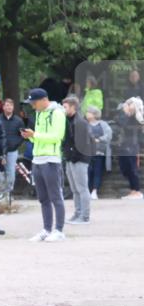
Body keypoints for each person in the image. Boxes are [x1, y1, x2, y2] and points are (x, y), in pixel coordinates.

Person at [22, 88, 67, 242]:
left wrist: (35, 135)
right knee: (43, 198)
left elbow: (57, 137)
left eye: (34, 102)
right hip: (37, 159)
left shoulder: (57, 113)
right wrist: (30, 136)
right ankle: (47, 229)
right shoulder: (39, 113)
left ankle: (59, 230)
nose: (32, 106)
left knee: (56, 196)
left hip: (51, 159)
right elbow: (40, 138)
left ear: (43, 100)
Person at [62, 95, 92, 225]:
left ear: (73, 107)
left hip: (79, 159)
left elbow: (82, 144)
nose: (63, 109)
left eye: (65, 107)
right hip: (70, 158)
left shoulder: (80, 122)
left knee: (82, 188)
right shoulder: (67, 120)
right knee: (74, 189)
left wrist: (73, 156)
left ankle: (84, 216)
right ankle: (78, 213)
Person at [112, 97, 143, 199]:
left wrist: (125, 113)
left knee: (132, 168)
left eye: (128, 104)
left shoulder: (136, 118)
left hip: (132, 146)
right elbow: (117, 121)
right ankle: (133, 190)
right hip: (124, 145)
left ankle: (137, 191)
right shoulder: (126, 116)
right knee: (124, 168)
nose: (126, 106)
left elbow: (123, 124)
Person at [0, 98, 25, 196]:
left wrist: (16, 144)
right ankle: (0, 194)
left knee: (11, 173)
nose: (9, 107)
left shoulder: (18, 120)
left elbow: (23, 135)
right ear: (3, 107)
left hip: (12, 151)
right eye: (7, 105)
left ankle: (8, 194)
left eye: (11, 105)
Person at [85, 107, 111, 200]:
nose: (87, 114)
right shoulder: (85, 124)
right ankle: (87, 191)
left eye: (89, 112)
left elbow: (108, 135)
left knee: (97, 171)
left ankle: (94, 191)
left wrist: (99, 139)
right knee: (87, 172)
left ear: (94, 114)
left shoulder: (103, 124)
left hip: (99, 152)